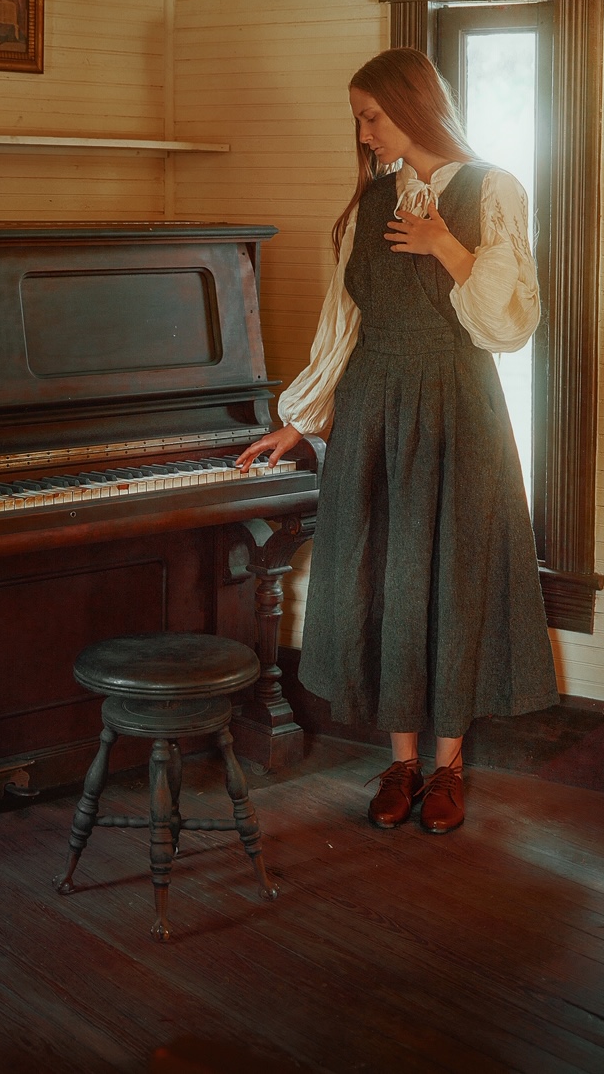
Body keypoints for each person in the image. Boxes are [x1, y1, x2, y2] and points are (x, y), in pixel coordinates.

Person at [236, 47, 559, 835]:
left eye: (372, 116)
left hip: (458, 408)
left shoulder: (492, 188)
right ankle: (402, 759)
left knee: (449, 574)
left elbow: (509, 325)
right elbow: (342, 328)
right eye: (358, 119)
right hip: (375, 406)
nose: (365, 133)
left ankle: (448, 769)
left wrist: (446, 246)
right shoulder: (369, 203)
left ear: (413, 107)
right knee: (384, 573)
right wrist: (300, 421)